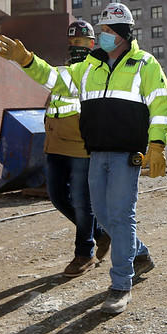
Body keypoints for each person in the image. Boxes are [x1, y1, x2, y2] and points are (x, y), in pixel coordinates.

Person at [0, 2, 167, 314]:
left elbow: (161, 106)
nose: (101, 36)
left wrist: (157, 145)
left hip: (126, 154)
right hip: (96, 152)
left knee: (121, 216)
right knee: (103, 217)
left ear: (120, 33)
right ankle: (140, 253)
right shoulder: (88, 68)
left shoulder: (145, 65)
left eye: (106, 31)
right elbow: (55, 79)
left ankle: (121, 284)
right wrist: (25, 60)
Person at [44, 20, 110, 278]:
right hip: (55, 142)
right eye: (73, 42)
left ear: (92, 44)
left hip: (82, 146)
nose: (77, 46)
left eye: (82, 42)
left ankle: (84, 253)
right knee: (58, 197)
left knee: (83, 203)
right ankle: (99, 234)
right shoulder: (62, 69)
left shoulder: (96, 70)